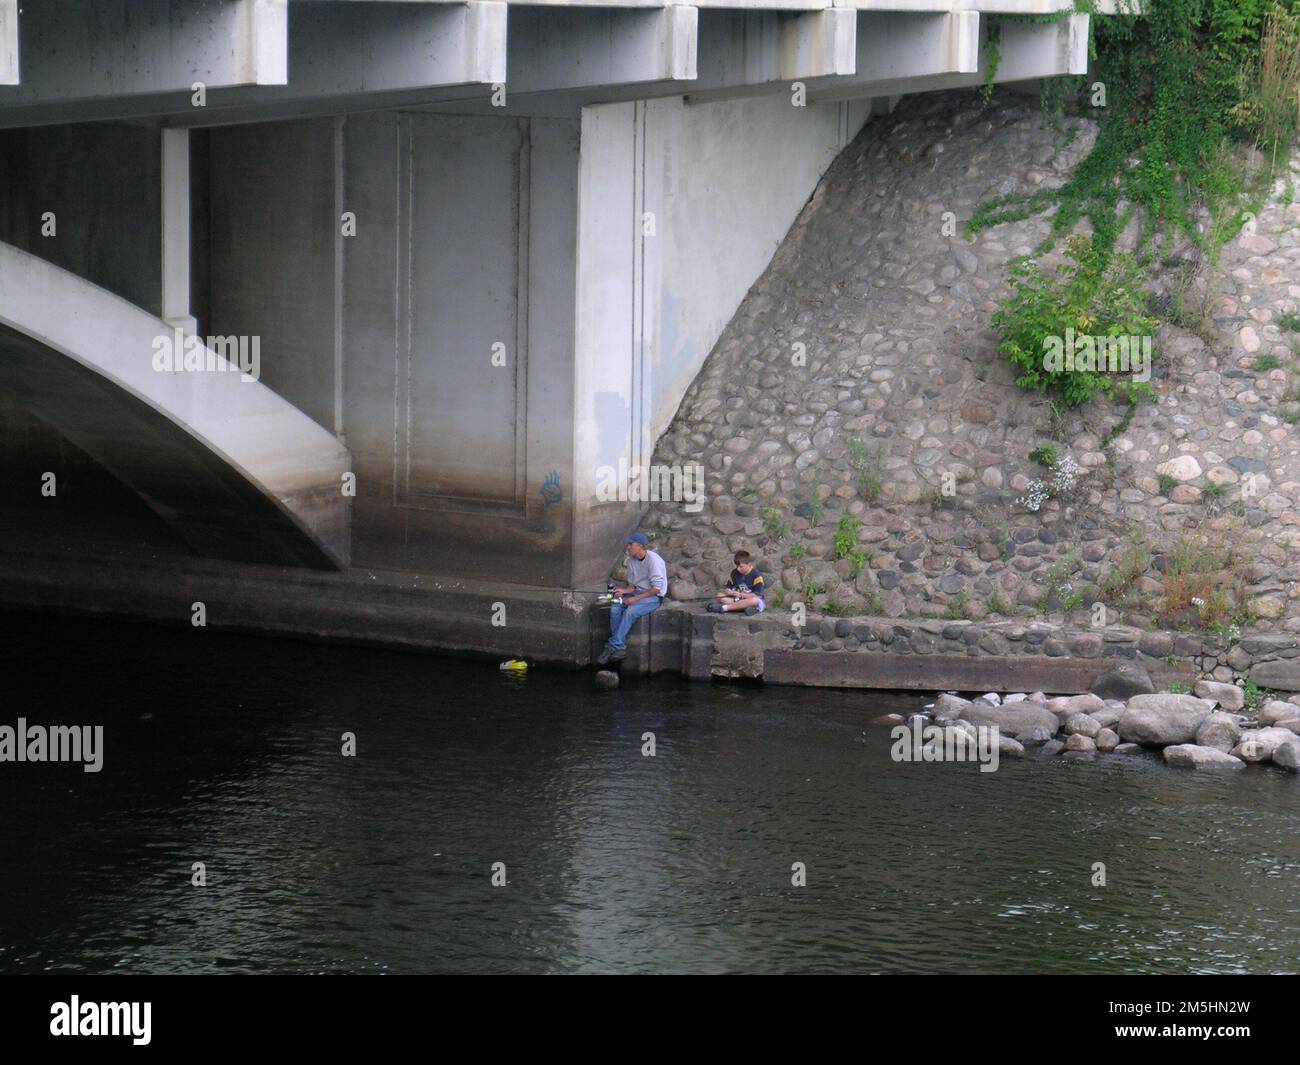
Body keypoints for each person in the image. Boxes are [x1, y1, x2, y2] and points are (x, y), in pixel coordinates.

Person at [597, 533, 668, 666]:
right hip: (637, 592)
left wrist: (636, 599)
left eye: (631, 544)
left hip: (653, 597)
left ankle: (612, 646)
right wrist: (623, 591)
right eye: (628, 544)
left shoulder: (654, 560)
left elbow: (656, 589)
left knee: (630, 611)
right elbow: (632, 586)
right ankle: (619, 648)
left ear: (640, 546)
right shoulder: (631, 561)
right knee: (614, 607)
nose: (628, 547)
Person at [707, 550, 765, 615]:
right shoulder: (734, 573)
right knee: (719, 596)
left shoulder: (756, 575)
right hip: (737, 600)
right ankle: (743, 608)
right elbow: (728, 588)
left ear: (748, 564)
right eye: (736, 566)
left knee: (755, 600)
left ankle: (724, 608)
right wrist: (728, 591)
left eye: (741, 567)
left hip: (751, 600)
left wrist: (741, 595)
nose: (738, 569)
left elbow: (758, 595)